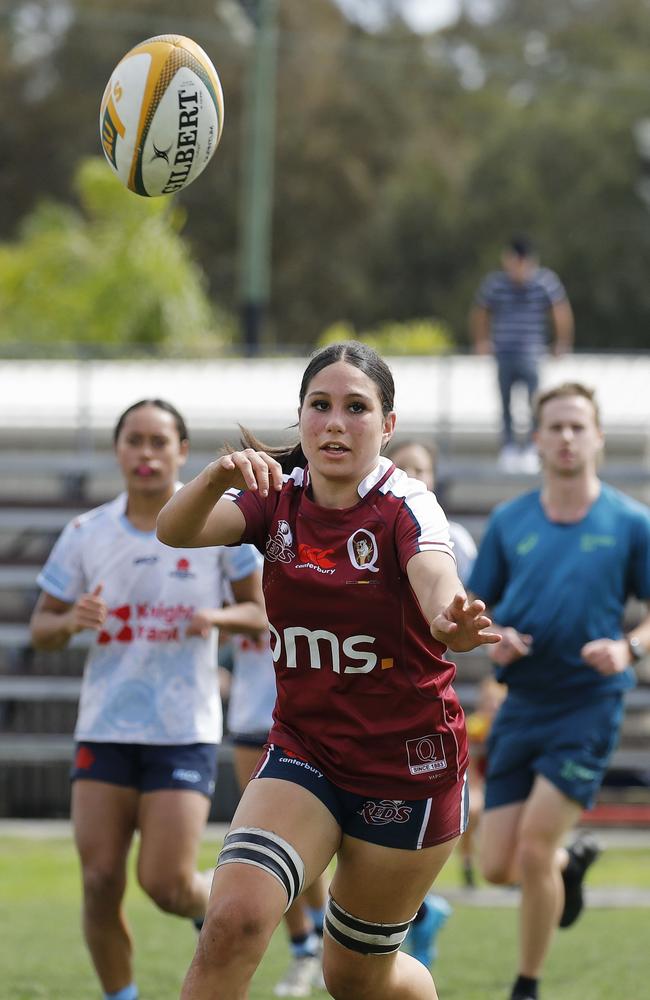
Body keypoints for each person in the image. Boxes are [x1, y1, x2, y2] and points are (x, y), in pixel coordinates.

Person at [156, 340, 500, 1000]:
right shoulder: (277, 499)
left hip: (409, 769)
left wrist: (447, 618)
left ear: (388, 425)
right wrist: (215, 476)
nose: (335, 422)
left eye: (356, 407)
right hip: (305, 752)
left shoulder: (406, 503)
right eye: (320, 406)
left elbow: (434, 574)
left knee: (355, 977)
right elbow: (176, 529)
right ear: (301, 416)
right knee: (231, 922)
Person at [29, 399, 268, 1000]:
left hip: (181, 729)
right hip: (106, 727)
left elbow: (262, 612)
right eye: (134, 440)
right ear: (117, 450)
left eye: (159, 441)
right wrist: (69, 622)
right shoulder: (86, 533)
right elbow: (41, 627)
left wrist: (214, 614)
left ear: (182, 452)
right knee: (100, 879)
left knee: (164, 882)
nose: (146, 452)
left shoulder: (219, 527)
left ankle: (213, 909)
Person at [467, 382, 650, 1000]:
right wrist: (496, 640)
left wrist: (630, 647)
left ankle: (527, 984)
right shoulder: (509, 520)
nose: (567, 437)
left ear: (597, 436)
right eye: (555, 427)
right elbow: (474, 610)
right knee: (496, 867)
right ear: (538, 439)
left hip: (589, 705)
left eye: (578, 426)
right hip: (522, 703)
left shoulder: (630, 521)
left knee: (535, 845)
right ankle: (572, 867)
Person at [385, 438, 478, 959]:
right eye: (405, 468)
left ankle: (417, 912)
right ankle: (420, 913)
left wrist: (458, 623)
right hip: (368, 695)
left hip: (426, 698)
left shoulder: (450, 538)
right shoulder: (372, 520)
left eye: (423, 469)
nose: (413, 477)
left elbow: (464, 609)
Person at [224, 543, 328, 998]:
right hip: (251, 716)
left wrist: (213, 617)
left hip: (308, 721)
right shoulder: (230, 553)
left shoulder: (310, 548)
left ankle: (325, 940)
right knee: (264, 848)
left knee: (304, 847)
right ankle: (306, 947)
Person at [470, 235, 574, 474]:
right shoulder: (495, 284)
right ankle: (508, 447)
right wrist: (481, 341)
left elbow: (560, 311)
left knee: (533, 403)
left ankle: (530, 447)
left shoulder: (545, 282)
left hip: (531, 353)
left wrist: (562, 342)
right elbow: (481, 312)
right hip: (504, 353)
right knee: (505, 403)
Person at [386, 439, 477, 586]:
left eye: (419, 470)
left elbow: (469, 592)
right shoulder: (369, 533)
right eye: (400, 469)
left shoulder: (455, 537)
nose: (409, 476)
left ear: (433, 477)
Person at [459, 676, 506, 887]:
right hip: (479, 779)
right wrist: (476, 791)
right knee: (472, 811)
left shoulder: (511, 726)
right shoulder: (475, 727)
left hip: (503, 781)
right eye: (489, 700)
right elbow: (470, 764)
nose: (493, 706)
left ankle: (510, 866)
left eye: (497, 701)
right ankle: (468, 862)